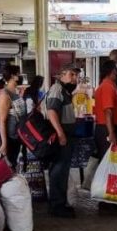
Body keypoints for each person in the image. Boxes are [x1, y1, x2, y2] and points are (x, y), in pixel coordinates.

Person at [44, 64, 79, 218]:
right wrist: (60, 134)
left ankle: (60, 203)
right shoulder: (57, 89)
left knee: (63, 170)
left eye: (76, 75)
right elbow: (51, 112)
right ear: (62, 74)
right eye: (72, 74)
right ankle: (57, 205)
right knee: (58, 170)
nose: (74, 78)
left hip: (67, 135)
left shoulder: (65, 91)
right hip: (60, 137)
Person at [0, 65, 28, 171]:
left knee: (13, 165)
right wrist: (4, 143)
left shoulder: (16, 92)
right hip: (9, 137)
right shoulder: (5, 95)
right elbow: (2, 121)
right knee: (7, 168)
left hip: (17, 136)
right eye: (18, 74)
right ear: (12, 76)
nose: (20, 76)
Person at [93, 61, 117, 159]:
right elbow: (108, 111)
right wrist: (111, 133)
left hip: (107, 127)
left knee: (110, 161)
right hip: (106, 128)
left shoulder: (110, 85)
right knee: (109, 161)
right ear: (112, 70)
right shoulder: (107, 86)